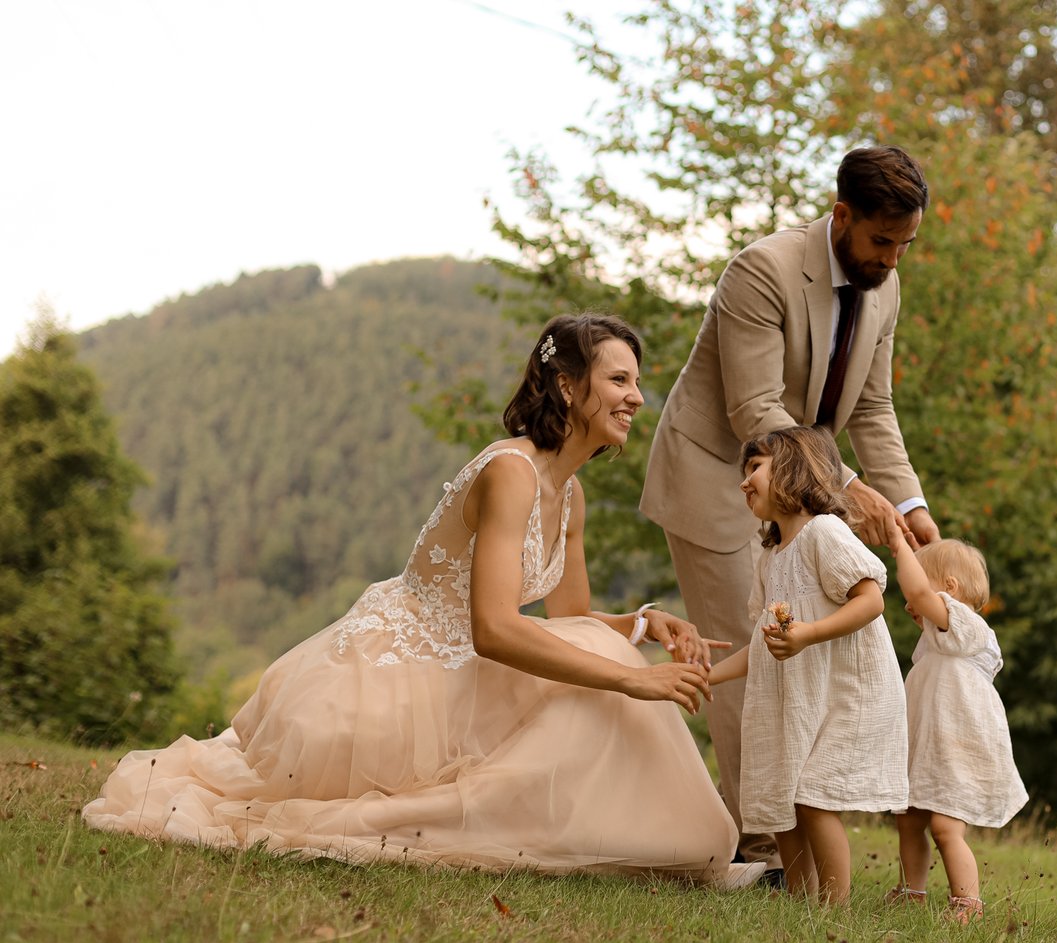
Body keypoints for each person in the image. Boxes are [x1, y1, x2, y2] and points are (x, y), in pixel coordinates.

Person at [83, 312, 763, 888]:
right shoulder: (511, 473)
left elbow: (570, 623)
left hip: (469, 666)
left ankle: (671, 841)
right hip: (399, 670)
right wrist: (633, 679)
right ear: (567, 384)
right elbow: (497, 629)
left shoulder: (572, 494)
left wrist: (645, 622)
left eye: (636, 382)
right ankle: (642, 835)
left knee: (601, 650)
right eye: (620, 379)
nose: (637, 397)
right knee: (602, 673)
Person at [641, 145, 939, 870]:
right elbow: (755, 410)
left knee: (793, 659)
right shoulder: (762, 270)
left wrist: (910, 501)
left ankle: (777, 837)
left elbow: (872, 404)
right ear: (841, 216)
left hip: (797, 493)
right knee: (752, 662)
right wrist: (843, 491)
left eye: (905, 245)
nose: (892, 260)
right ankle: (760, 849)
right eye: (881, 241)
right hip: (717, 477)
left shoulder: (886, 287)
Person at [707, 427, 908, 903]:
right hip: (801, 699)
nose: (744, 482)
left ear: (793, 467)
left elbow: (871, 599)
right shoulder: (772, 557)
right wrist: (706, 676)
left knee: (813, 797)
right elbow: (763, 642)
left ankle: (833, 907)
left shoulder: (825, 533)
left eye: (754, 467)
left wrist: (808, 635)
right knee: (785, 798)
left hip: (848, 695)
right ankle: (801, 902)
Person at [885, 529, 1027, 923]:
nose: (908, 602)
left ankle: (967, 903)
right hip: (929, 747)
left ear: (949, 588)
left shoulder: (966, 625)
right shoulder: (934, 640)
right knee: (909, 820)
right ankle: (911, 891)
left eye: (920, 578)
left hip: (957, 749)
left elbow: (917, 594)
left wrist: (900, 546)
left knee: (947, 828)